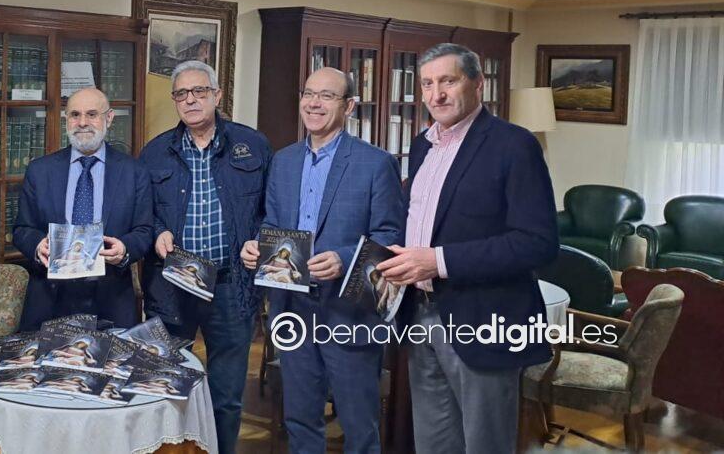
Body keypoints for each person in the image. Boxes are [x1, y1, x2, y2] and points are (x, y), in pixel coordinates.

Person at [377, 43, 558, 454]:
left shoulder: (514, 145)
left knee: (484, 444)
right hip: (419, 312)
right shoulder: (422, 145)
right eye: (427, 84)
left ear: (478, 85)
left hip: (484, 320)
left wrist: (437, 261)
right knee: (433, 442)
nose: (436, 94)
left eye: (448, 81)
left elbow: (539, 242)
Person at [244, 67, 405, 454]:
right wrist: (258, 247)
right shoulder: (283, 161)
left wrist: (345, 259)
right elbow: (273, 223)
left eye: (327, 96)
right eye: (309, 94)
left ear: (348, 106)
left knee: (359, 424)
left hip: (348, 311)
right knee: (300, 420)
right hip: (293, 307)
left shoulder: (375, 163)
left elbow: (390, 236)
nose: (314, 103)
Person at [139, 60, 272, 454]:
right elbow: (141, 214)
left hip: (232, 287)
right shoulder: (155, 153)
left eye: (199, 91)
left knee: (226, 398)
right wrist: (157, 231)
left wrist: (260, 241)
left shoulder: (253, 145)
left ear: (217, 95)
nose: (191, 100)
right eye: (181, 93)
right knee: (167, 389)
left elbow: (273, 210)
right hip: (172, 287)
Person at [12, 88, 155, 329]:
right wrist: (37, 246)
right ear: (66, 118)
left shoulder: (134, 171)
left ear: (109, 118)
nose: (82, 123)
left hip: (111, 297)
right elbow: (22, 229)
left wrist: (124, 249)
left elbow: (144, 230)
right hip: (50, 296)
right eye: (75, 115)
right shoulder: (40, 170)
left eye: (92, 114)